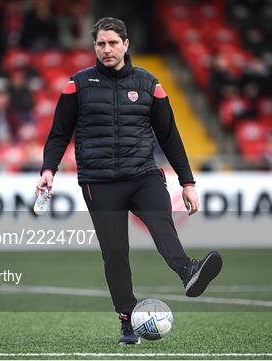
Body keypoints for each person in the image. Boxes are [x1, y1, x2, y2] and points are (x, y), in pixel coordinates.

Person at [35, 17, 222, 345]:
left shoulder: (150, 84)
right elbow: (59, 133)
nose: (106, 49)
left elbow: (169, 137)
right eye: (100, 44)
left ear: (126, 45)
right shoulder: (77, 85)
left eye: (112, 43)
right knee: (116, 253)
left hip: (143, 175)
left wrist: (188, 182)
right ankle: (127, 319)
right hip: (99, 181)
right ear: (94, 47)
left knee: (162, 223)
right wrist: (48, 170)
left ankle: (188, 272)